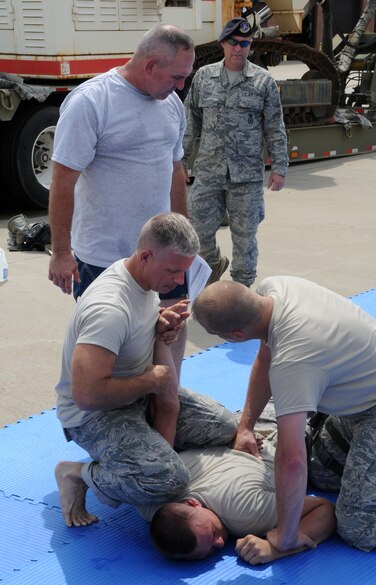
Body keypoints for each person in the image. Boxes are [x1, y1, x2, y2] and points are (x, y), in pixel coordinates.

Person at [54, 214, 237, 528]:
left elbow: (134, 330)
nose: (179, 281)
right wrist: (150, 380)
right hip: (97, 414)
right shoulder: (109, 309)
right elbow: (86, 395)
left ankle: (140, 452)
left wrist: (159, 323)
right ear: (145, 256)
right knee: (169, 480)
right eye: (173, 270)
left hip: (137, 394)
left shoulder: (143, 278)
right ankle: (78, 474)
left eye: (184, 271)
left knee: (224, 426)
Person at [48, 24, 196, 377]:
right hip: (104, 257)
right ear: (150, 65)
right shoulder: (92, 102)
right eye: (176, 77)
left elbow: (176, 171)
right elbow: (62, 182)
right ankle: (119, 421)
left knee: (174, 330)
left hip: (164, 252)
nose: (181, 86)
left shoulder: (171, 105)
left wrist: (187, 241)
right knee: (116, 353)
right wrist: (61, 251)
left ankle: (168, 400)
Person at [191, 277, 376, 553]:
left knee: (356, 529)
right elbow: (265, 359)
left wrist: (285, 541)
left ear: (236, 336)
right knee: (322, 471)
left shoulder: (293, 360)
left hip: (368, 410)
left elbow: (291, 461)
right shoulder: (274, 288)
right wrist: (245, 428)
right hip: (360, 398)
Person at [182, 17, 288, 286]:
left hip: (247, 176)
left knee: (244, 237)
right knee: (197, 231)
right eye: (233, 42)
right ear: (222, 44)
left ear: (250, 45)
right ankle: (213, 266)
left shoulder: (262, 81)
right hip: (208, 172)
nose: (238, 48)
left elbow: (275, 126)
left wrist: (279, 168)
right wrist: (181, 159)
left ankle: (241, 288)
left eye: (244, 43)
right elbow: (189, 119)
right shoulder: (204, 77)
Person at [139, 433, 335, 565]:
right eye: (209, 552)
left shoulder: (244, 513)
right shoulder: (148, 499)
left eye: (213, 531)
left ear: (193, 503)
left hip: (291, 429)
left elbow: (324, 510)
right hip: (238, 427)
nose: (220, 544)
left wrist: (277, 548)